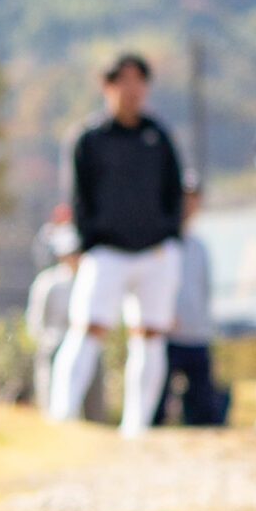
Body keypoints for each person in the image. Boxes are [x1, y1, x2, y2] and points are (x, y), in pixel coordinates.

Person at [46, 53, 184, 436]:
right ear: (107, 86)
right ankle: (62, 416)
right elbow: (78, 197)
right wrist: (88, 241)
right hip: (106, 251)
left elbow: (174, 191)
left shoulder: (157, 136)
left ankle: (137, 425)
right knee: (87, 329)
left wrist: (170, 233)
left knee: (150, 335)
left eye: (139, 80)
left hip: (156, 251)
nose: (132, 89)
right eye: (123, 80)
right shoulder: (89, 138)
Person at [158, 182, 229, 427]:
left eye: (194, 199)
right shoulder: (160, 242)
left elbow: (205, 291)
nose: (189, 205)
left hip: (197, 336)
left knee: (204, 411)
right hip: (166, 336)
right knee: (156, 407)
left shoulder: (199, 246)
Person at [24, 223, 82, 414]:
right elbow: (36, 320)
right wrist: (44, 341)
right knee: (49, 395)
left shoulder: (87, 281)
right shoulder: (48, 282)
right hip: (54, 344)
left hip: (82, 344)